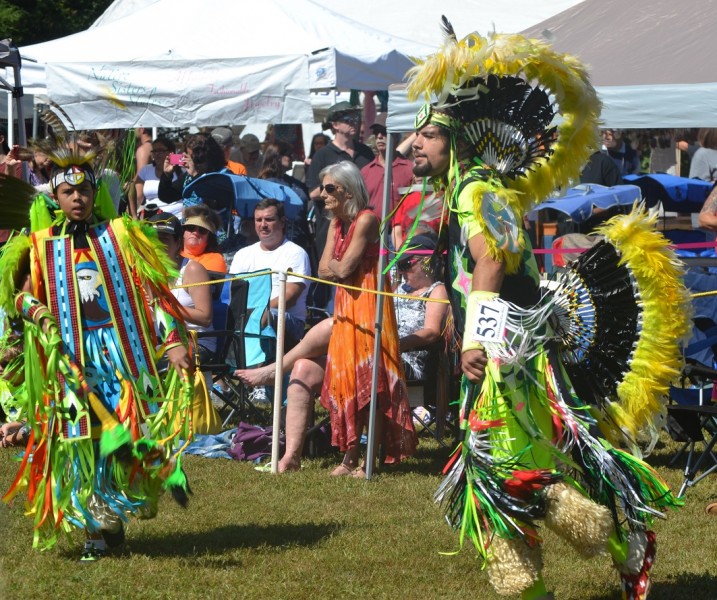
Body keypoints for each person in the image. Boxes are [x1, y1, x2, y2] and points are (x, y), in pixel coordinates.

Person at [406, 26, 689, 600]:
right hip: (511, 351)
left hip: (508, 356)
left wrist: (475, 340)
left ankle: (614, 538)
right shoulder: (469, 190)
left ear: (458, 142)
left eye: (429, 135)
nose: (415, 144)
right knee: (504, 472)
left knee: (508, 471)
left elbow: (491, 262)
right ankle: (596, 557)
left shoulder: (476, 192)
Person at [0, 150, 194, 559]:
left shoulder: (120, 235)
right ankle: (95, 527)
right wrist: (39, 314)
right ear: (55, 197)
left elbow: (153, 290)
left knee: (124, 431)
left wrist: (173, 340)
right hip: (69, 357)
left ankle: (113, 510)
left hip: (120, 353)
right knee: (80, 441)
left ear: (94, 193)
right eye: (68, 192)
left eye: (84, 190)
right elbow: (17, 297)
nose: (78, 198)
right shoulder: (38, 245)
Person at [238, 161, 416, 475]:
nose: (323, 194)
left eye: (330, 188)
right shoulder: (336, 224)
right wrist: (337, 267)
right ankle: (339, 457)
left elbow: (343, 269)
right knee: (340, 377)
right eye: (322, 188)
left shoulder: (367, 219)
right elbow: (323, 271)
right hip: (346, 306)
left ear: (348, 189)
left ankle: (367, 460)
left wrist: (337, 267)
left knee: (369, 381)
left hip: (368, 307)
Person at [229, 198, 311, 345]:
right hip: (247, 316)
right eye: (258, 220)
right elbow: (233, 293)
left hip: (286, 322)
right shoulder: (242, 254)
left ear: (282, 222)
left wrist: (257, 313)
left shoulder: (296, 253)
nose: (263, 225)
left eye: (269, 219)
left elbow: (290, 297)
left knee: (268, 315)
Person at [360, 115, 415, 221]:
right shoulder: (365, 171)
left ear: (397, 135)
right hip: (371, 229)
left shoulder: (410, 170)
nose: (379, 136)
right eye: (376, 132)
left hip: (399, 229)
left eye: (384, 132)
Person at [134, 136, 180, 218]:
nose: (157, 154)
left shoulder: (180, 169)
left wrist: (176, 160)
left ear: (171, 152)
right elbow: (138, 197)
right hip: (152, 216)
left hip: (176, 216)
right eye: (154, 151)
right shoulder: (146, 170)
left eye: (161, 150)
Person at [181, 204, 227, 273]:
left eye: (202, 230)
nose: (195, 232)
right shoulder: (172, 251)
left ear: (209, 239)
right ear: (184, 232)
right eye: (191, 227)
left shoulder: (214, 259)